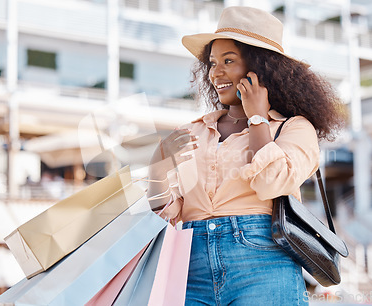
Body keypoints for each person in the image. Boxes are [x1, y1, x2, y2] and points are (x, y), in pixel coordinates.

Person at [147, 6, 346, 305]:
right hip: (189, 265)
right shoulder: (192, 131)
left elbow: (270, 183)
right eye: (212, 63)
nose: (216, 73)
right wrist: (157, 165)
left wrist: (257, 119)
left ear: (261, 68)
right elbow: (167, 213)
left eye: (229, 61)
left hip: (263, 263)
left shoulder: (294, 128)